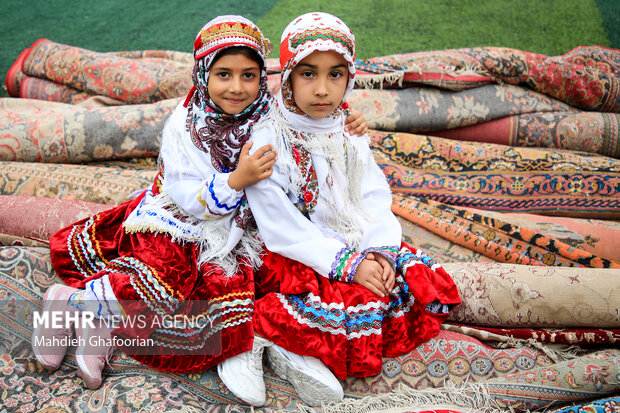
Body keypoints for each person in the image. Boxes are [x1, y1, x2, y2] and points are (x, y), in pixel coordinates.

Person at [35, 15, 367, 394]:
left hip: (244, 224)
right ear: (203, 73)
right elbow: (183, 193)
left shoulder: (268, 111)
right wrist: (235, 181)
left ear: (264, 77)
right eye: (223, 74)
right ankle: (73, 302)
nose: (237, 88)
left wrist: (348, 119)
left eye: (249, 75)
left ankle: (97, 319)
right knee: (168, 276)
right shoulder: (185, 125)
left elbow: (308, 116)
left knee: (259, 282)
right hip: (185, 221)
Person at [217, 12, 462, 407]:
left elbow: (371, 195)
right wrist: (348, 263)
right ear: (288, 76)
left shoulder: (346, 128)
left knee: (399, 282)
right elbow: (281, 227)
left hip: (349, 243)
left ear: (350, 78)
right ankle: (270, 343)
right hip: (294, 250)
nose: (322, 90)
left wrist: (378, 250)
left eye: (335, 75)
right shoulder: (269, 140)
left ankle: (295, 350)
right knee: (338, 299)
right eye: (308, 74)